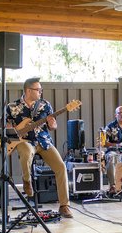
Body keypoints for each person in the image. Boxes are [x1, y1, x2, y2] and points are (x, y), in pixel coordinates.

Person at [6, 77, 73, 218]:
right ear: (28, 91)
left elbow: (53, 126)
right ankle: (26, 180)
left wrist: (52, 124)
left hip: (43, 142)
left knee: (61, 166)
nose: (41, 92)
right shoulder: (12, 107)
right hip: (24, 142)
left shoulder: (45, 105)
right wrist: (12, 129)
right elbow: (7, 127)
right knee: (26, 152)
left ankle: (64, 205)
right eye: (38, 90)